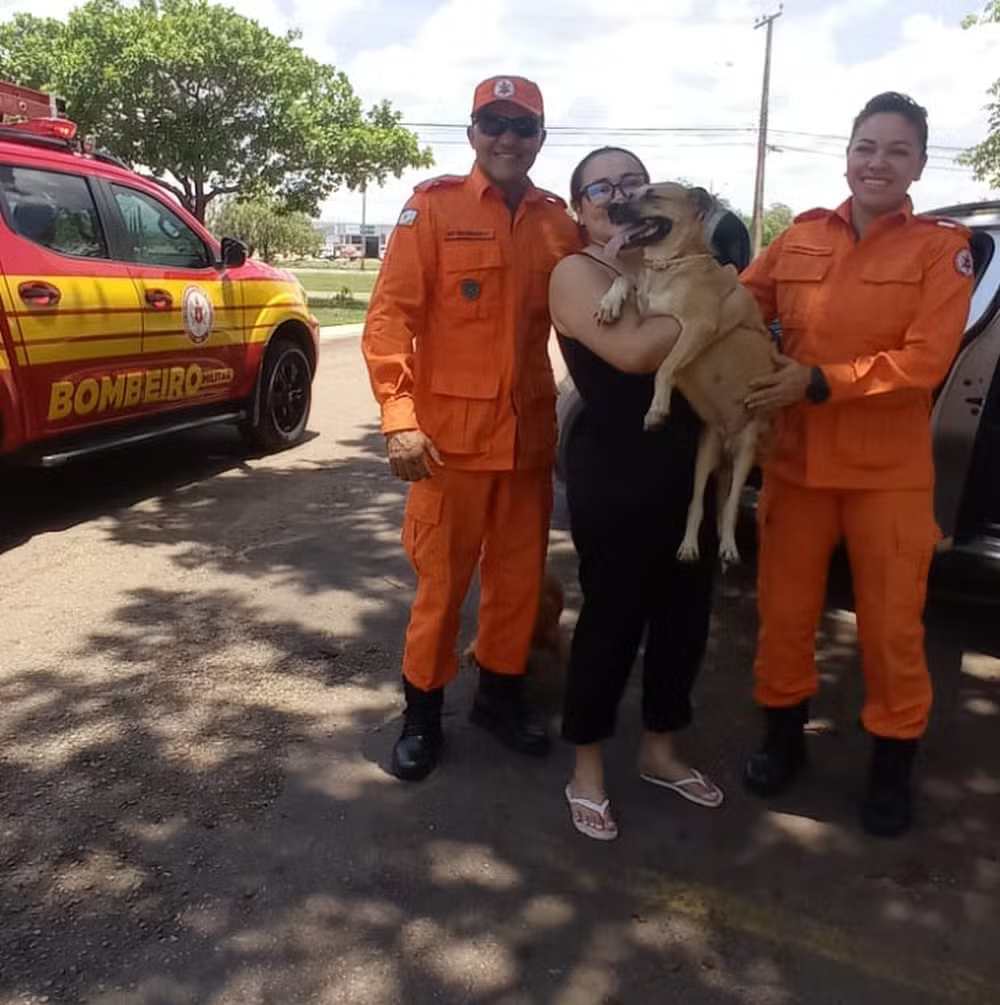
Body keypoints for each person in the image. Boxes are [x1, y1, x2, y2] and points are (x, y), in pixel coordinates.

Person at [739, 92, 974, 837]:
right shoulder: (802, 234)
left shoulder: (943, 248)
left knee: (892, 631)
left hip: (887, 477)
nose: (878, 162)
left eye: (897, 151)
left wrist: (819, 379)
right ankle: (780, 741)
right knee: (783, 616)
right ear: (847, 153)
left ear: (919, 166)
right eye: (867, 146)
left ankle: (891, 770)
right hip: (797, 464)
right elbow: (744, 302)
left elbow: (927, 360)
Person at [362, 76, 581, 781]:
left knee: (517, 583)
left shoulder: (558, 225)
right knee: (442, 586)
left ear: (540, 140)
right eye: (494, 123)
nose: (507, 138)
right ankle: (422, 712)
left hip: (526, 443)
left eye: (522, 127)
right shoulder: (432, 210)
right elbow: (389, 319)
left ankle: (499, 695)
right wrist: (399, 419)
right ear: (472, 132)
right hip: (447, 447)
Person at [548, 147, 728, 841]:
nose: (619, 195)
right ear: (578, 207)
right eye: (602, 186)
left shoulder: (661, 270)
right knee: (613, 621)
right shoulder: (576, 273)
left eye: (634, 184)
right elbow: (633, 353)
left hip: (689, 468)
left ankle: (659, 750)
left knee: (684, 616)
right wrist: (709, 307)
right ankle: (586, 769)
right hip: (617, 470)